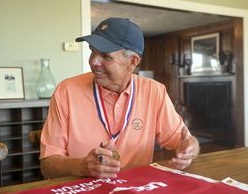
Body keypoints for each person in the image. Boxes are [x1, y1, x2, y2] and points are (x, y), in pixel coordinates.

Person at [40, 17, 200, 179]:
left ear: (132, 62)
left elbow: (183, 141)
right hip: (79, 191)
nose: (94, 61)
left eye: (106, 56)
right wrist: (82, 167)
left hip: (137, 190)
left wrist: (189, 149)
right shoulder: (66, 91)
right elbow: (47, 165)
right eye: (92, 52)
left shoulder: (154, 91)